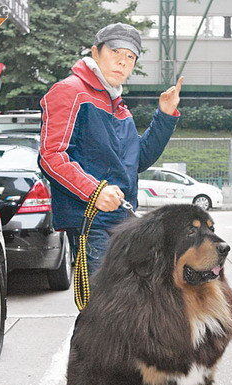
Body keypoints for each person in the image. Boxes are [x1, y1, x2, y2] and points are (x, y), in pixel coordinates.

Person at [38, 22, 183, 275]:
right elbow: (51, 156)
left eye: (130, 56)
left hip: (122, 220)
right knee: (105, 306)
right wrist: (95, 191)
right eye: (115, 52)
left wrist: (165, 115)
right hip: (91, 219)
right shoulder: (70, 91)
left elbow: (137, 160)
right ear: (96, 52)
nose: (122, 62)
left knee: (125, 305)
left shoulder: (117, 103)